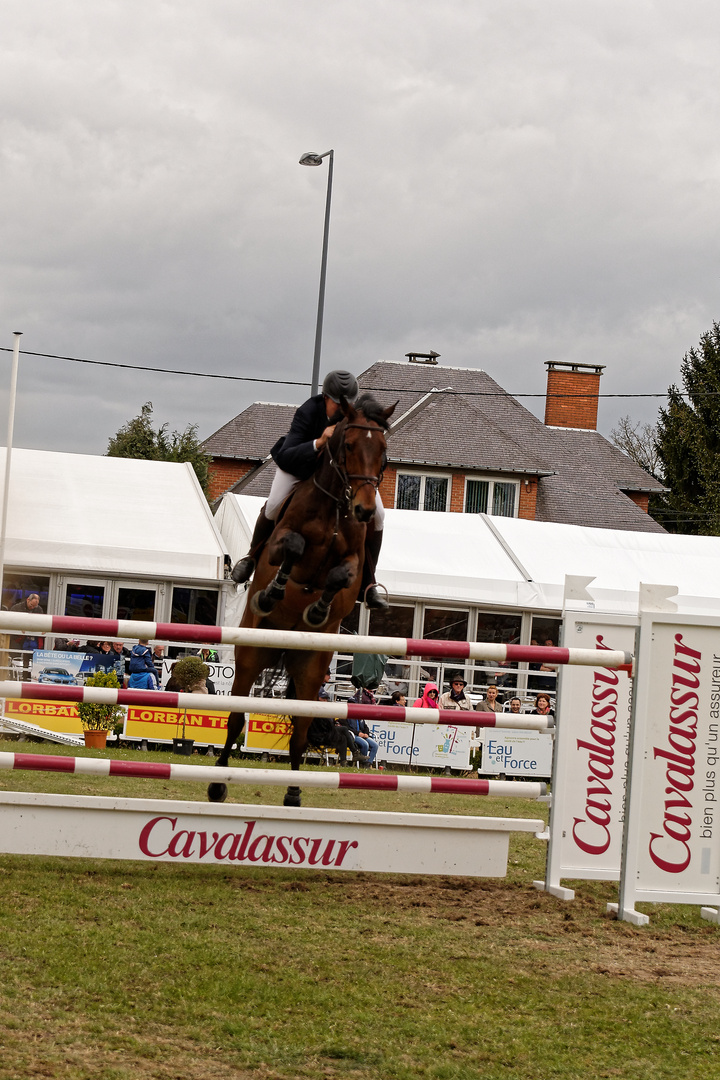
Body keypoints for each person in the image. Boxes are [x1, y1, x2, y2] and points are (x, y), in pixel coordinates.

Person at [230, 370, 388, 611]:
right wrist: (319, 442)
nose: (343, 407)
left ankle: (369, 582)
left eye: (349, 402)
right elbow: (287, 454)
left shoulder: (358, 418)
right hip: (299, 467)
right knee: (273, 504)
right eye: (338, 402)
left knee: (379, 515)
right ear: (325, 398)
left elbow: (372, 450)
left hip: (339, 477)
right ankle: (251, 557)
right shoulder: (308, 411)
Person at [348, 687, 379, 766]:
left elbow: (365, 726)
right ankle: (363, 762)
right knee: (365, 744)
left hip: (362, 735)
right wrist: (358, 733)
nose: (353, 705)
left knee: (375, 745)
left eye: (354, 704)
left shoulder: (359, 715)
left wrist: (366, 733)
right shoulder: (345, 716)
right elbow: (347, 728)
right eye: (351, 704)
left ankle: (369, 763)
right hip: (353, 735)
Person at [9, 593, 44, 659]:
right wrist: (19, 627)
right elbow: (10, 621)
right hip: (17, 638)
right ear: (28, 600)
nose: (32, 608)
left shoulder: (39, 609)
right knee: (15, 657)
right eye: (31, 605)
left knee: (29, 658)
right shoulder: (16, 608)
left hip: (31, 638)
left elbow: (41, 622)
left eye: (35, 606)